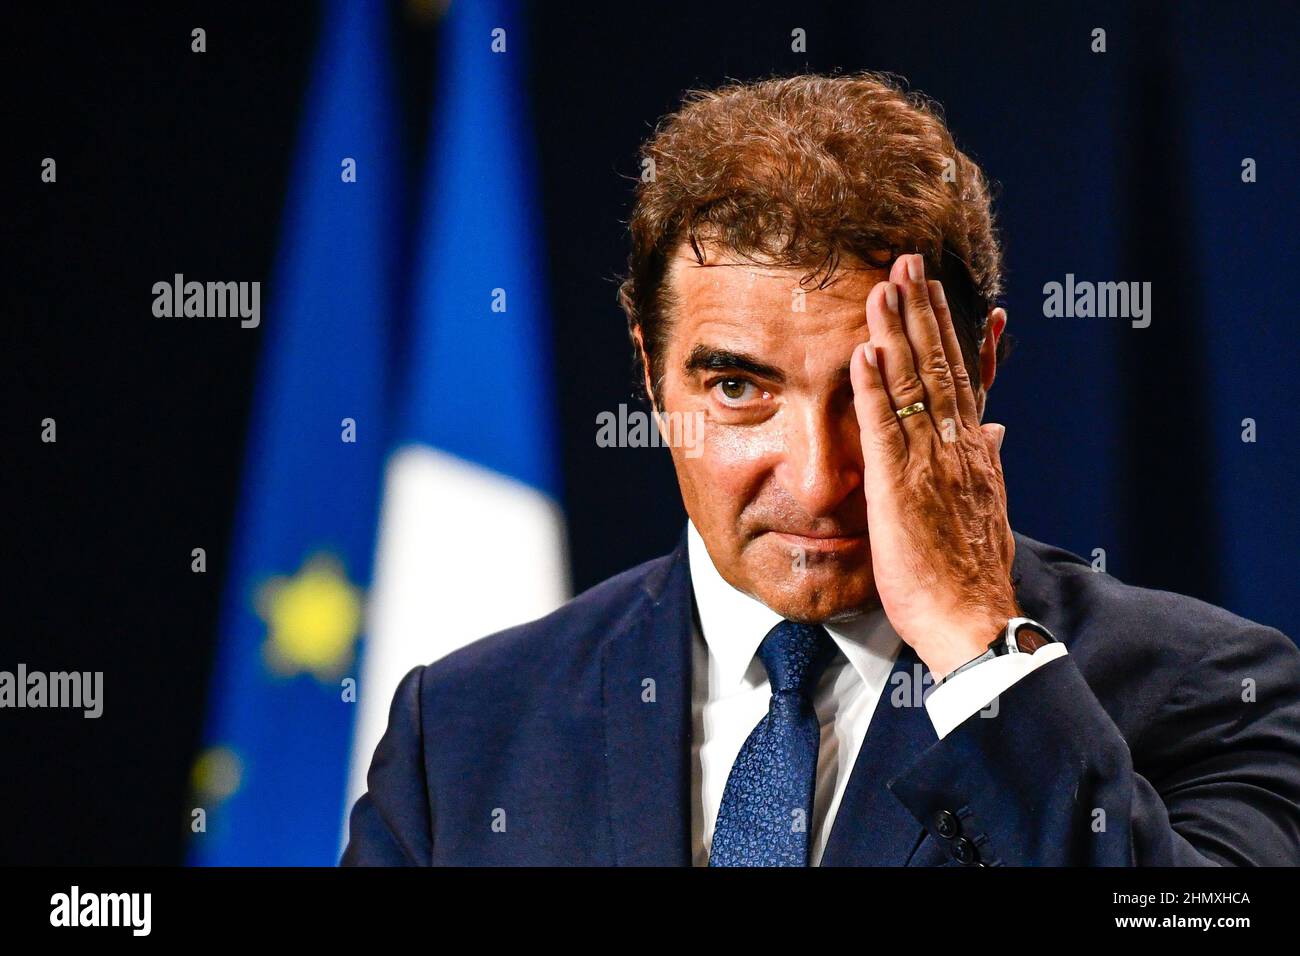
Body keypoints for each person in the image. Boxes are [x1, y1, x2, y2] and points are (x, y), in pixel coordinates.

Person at [342, 72, 1300, 866]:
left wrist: (978, 650)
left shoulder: (1213, 692)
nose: (816, 476)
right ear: (648, 367)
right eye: (737, 389)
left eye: (874, 391)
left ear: (982, 369)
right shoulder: (463, 734)